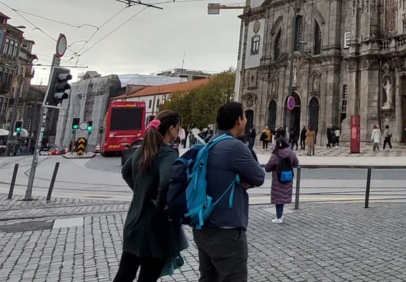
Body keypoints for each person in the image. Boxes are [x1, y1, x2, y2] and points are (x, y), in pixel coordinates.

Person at [194, 102, 265, 282]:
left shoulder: (208, 142)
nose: (246, 120)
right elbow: (259, 176)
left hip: (203, 226)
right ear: (238, 121)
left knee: (208, 278)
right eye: (244, 116)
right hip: (226, 230)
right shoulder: (234, 147)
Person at [114, 111, 186, 282]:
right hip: (155, 229)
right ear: (171, 129)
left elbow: (125, 172)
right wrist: (160, 204)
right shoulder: (167, 154)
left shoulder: (143, 149)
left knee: (124, 275)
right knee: (148, 277)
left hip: (134, 224)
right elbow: (166, 182)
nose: (179, 130)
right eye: (178, 127)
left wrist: (141, 192)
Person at [263, 137, 299, 223]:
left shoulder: (276, 154)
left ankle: (279, 217)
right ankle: (280, 215)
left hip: (278, 179)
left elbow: (268, 167)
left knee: (278, 197)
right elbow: (296, 163)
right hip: (288, 177)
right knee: (283, 196)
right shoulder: (291, 153)